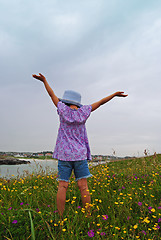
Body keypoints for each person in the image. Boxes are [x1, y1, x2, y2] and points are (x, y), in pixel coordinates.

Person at [32, 73, 128, 217]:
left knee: (62, 186)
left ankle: (60, 217)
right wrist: (114, 94)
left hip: (64, 155)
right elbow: (101, 102)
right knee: (83, 187)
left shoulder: (62, 110)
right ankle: (88, 215)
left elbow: (51, 94)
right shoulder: (84, 112)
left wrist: (44, 80)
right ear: (78, 103)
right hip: (80, 155)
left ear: (65, 101)